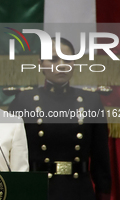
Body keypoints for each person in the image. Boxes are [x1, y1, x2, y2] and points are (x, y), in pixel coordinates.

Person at [8, 38, 111, 200]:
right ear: (41, 63)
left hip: (79, 192)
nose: (61, 65)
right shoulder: (23, 101)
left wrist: (103, 193)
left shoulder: (91, 101)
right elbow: (11, 156)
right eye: (54, 59)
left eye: (67, 59)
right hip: (36, 191)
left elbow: (101, 158)